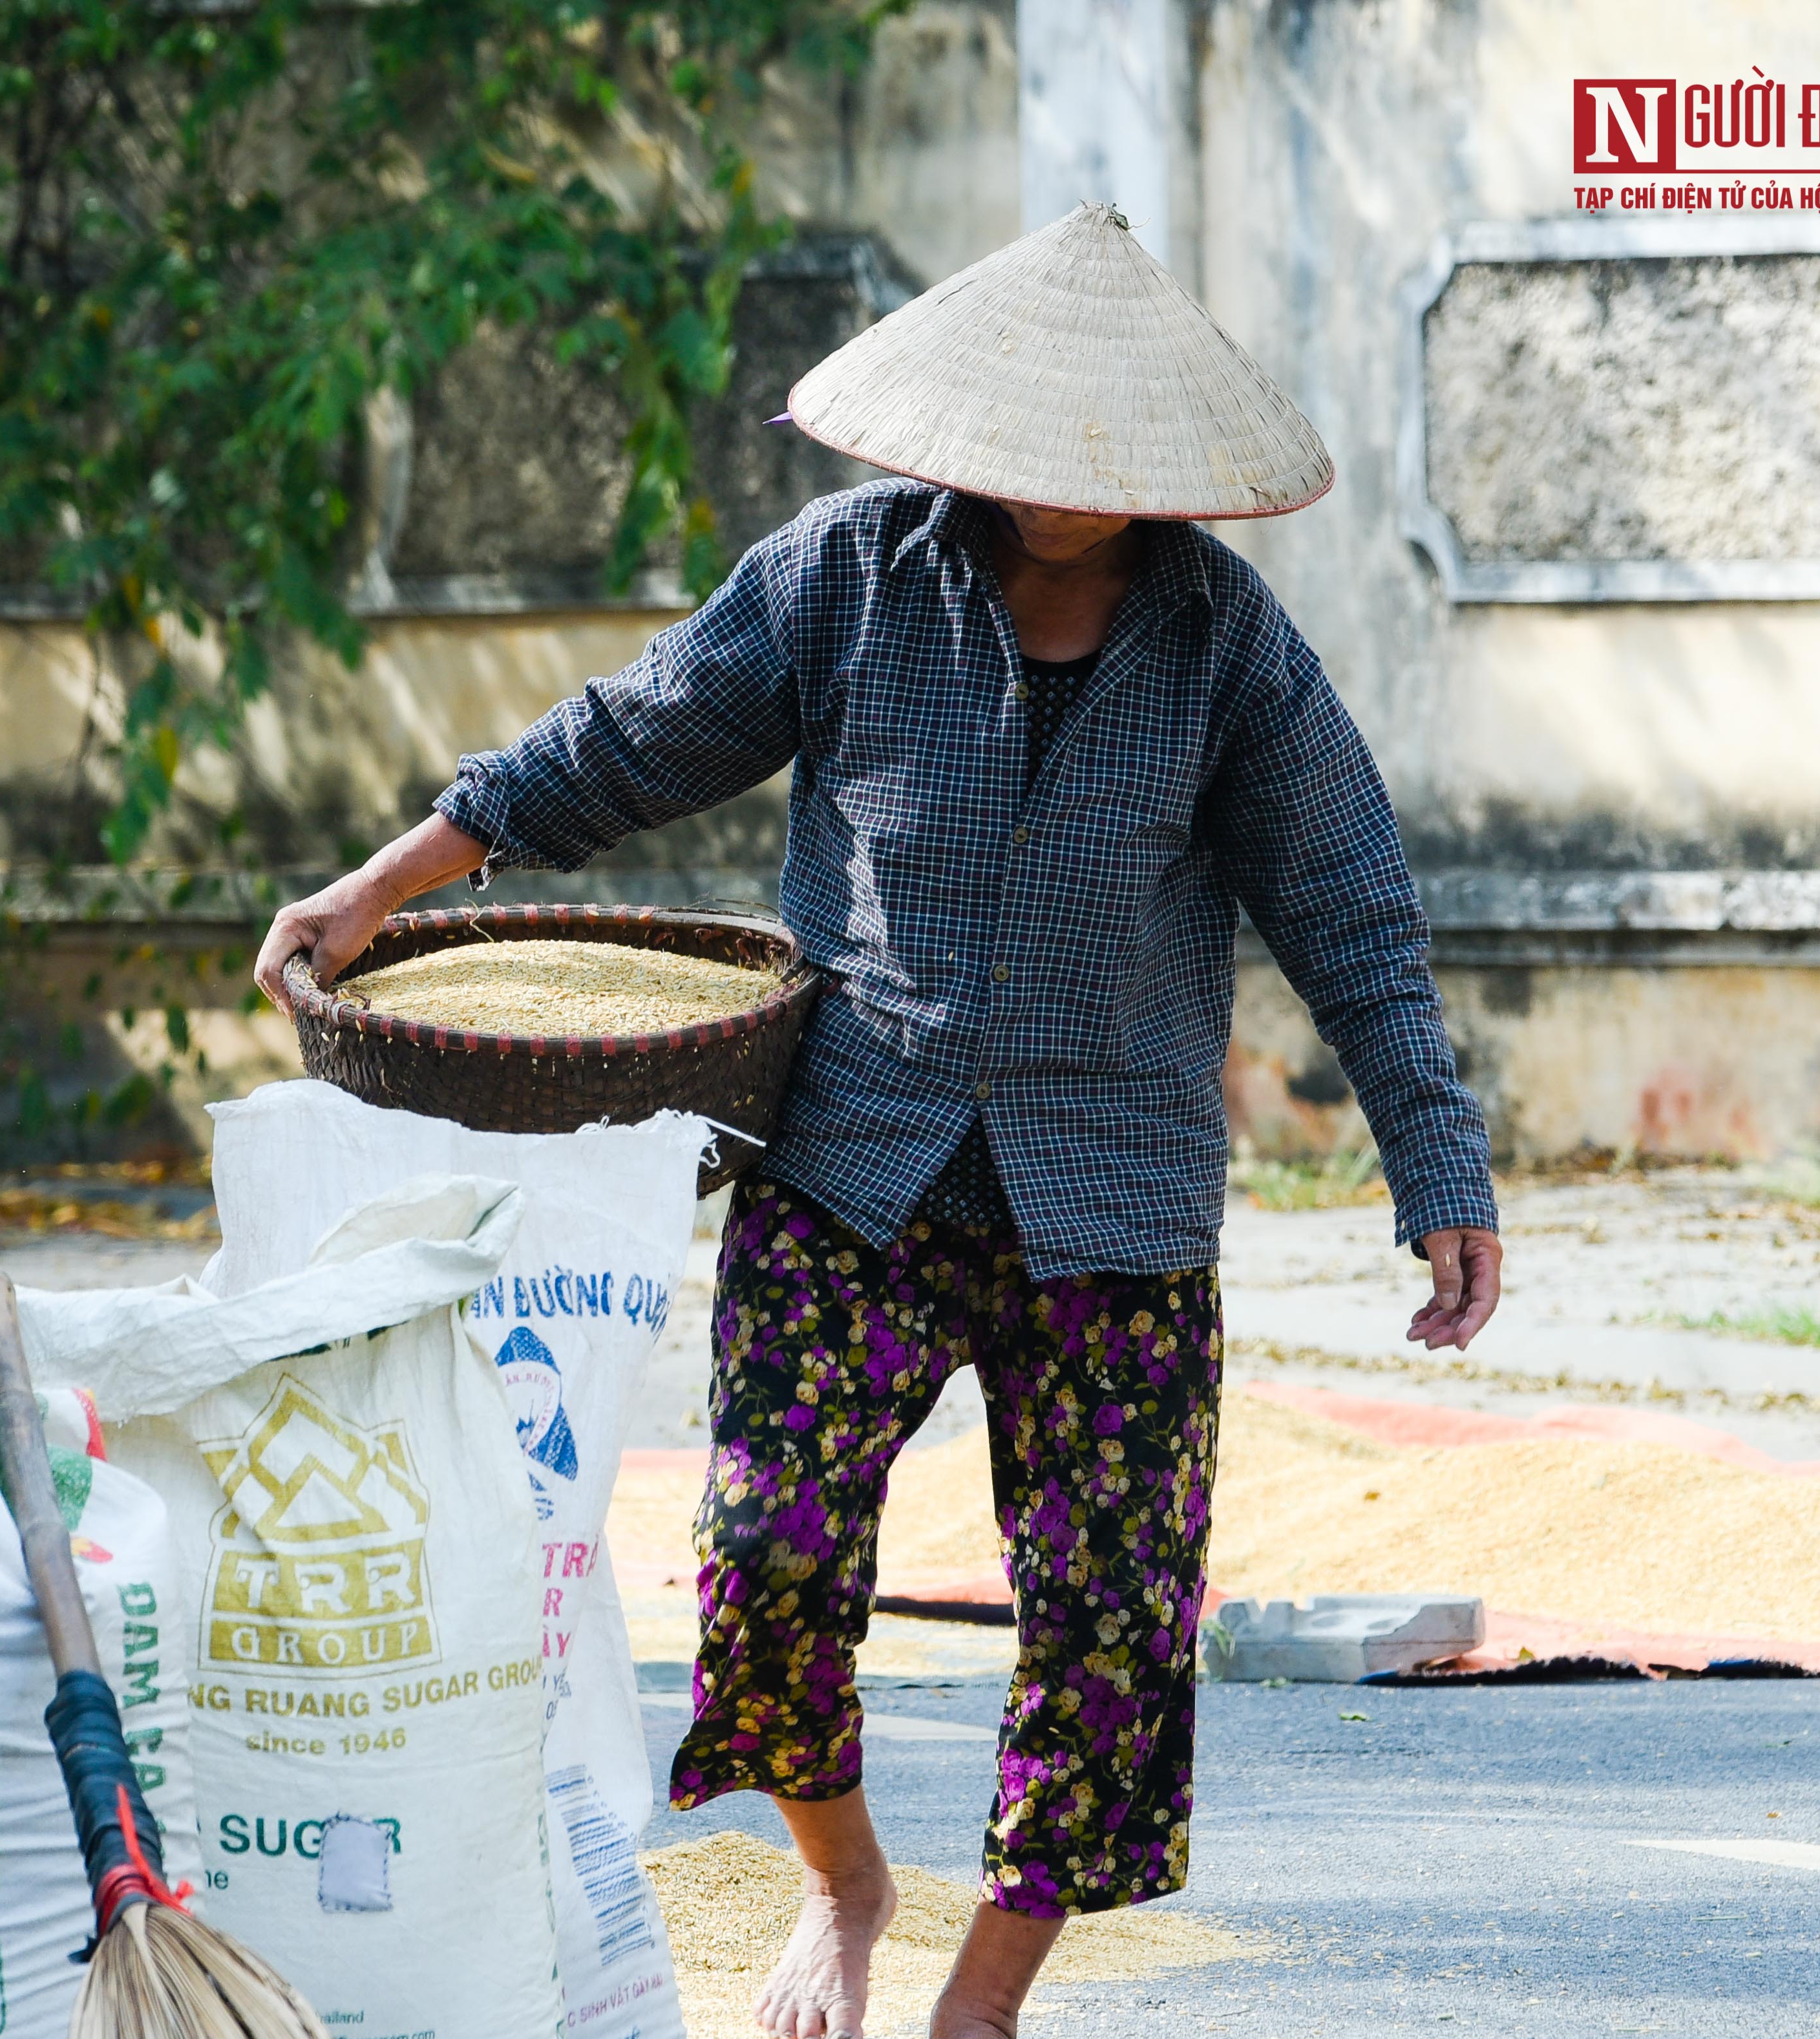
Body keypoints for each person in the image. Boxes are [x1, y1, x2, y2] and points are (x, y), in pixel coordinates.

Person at [253, 202, 1505, 2039]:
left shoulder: (1234, 656)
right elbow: (621, 743)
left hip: (1118, 1205)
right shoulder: (842, 578)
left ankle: (982, 1999)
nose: (1066, 486)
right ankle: (844, 1885)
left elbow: (1356, 917)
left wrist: (1440, 1165)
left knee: (1112, 1623)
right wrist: (388, 879)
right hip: (857, 1166)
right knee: (766, 1553)